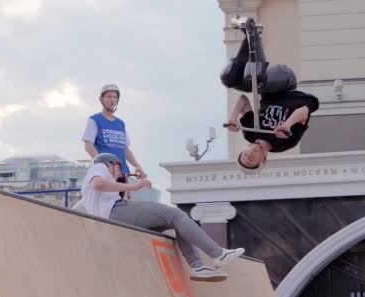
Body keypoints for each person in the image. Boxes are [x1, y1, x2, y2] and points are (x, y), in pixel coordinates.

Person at [80, 152, 244, 281]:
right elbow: (98, 183)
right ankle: (217, 254)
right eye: (117, 169)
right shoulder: (99, 167)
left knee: (175, 223)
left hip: (113, 220)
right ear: (111, 164)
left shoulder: (85, 192)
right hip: (116, 212)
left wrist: (126, 193)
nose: (117, 174)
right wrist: (135, 186)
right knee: (176, 215)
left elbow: (75, 209)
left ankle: (198, 268)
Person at [221, 19, 319, 172]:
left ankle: (249, 36)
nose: (248, 156)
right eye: (251, 160)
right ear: (263, 159)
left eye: (244, 156)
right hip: (286, 83)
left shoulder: (250, 133)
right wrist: (287, 125)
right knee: (255, 80)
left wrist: (233, 118)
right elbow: (304, 111)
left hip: (268, 88)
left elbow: (243, 100)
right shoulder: (283, 144)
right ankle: (256, 34)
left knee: (230, 79)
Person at [82, 83, 146, 199]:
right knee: (107, 207)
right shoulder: (94, 120)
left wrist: (137, 165)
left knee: (124, 206)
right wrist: (102, 164)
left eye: (115, 97)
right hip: (107, 174)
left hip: (123, 173)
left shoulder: (120, 123)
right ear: (102, 99)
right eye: (109, 96)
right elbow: (88, 145)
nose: (112, 100)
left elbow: (125, 149)